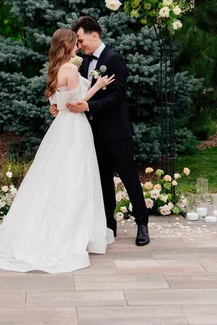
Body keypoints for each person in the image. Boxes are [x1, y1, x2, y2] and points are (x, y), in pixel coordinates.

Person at [0, 29, 115, 273]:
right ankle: (70, 231)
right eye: (75, 44)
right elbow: (77, 103)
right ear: (67, 46)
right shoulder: (72, 70)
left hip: (60, 127)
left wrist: (57, 107)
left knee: (55, 174)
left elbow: (56, 103)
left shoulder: (55, 69)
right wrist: (97, 85)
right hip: (74, 128)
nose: (78, 47)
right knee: (75, 177)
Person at [59, 16, 150, 246]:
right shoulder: (86, 62)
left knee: (129, 177)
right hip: (94, 132)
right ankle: (109, 226)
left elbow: (117, 96)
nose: (79, 46)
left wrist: (88, 106)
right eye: (77, 43)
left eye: (80, 41)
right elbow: (78, 92)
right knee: (103, 181)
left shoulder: (115, 59)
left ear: (94, 35)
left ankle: (142, 224)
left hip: (117, 132)